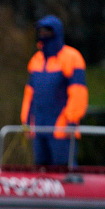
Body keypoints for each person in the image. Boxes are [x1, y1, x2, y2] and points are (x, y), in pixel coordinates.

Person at [21, 15, 89, 166]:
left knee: (63, 165)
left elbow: (78, 93)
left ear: (56, 32)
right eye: (41, 31)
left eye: (47, 31)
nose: (43, 35)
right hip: (38, 125)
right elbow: (29, 94)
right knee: (40, 165)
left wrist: (71, 120)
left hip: (61, 126)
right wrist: (26, 120)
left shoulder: (72, 57)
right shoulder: (36, 60)